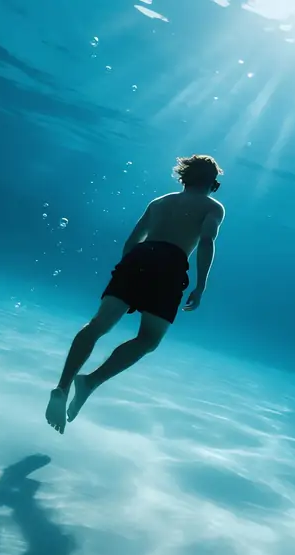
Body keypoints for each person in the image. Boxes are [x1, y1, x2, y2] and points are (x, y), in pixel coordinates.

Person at [45, 154, 225, 434]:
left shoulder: (159, 202)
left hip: (138, 257)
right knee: (148, 339)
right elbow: (206, 241)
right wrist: (200, 285)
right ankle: (90, 381)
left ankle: (62, 387)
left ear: (184, 177)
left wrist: (128, 272)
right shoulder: (212, 207)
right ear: (213, 183)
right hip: (170, 265)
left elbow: (132, 241)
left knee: (98, 325)